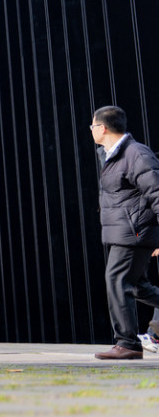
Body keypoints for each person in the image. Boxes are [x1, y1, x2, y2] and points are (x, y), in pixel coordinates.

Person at [88, 106, 159, 360]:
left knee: (117, 280)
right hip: (125, 232)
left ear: (103, 128)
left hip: (134, 232)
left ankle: (127, 343)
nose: (91, 130)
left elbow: (157, 192)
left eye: (93, 126)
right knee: (138, 287)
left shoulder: (135, 154)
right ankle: (127, 342)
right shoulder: (112, 155)